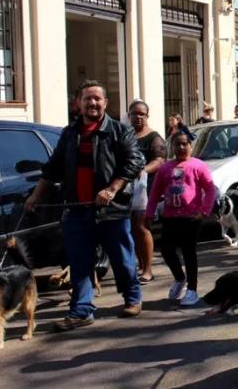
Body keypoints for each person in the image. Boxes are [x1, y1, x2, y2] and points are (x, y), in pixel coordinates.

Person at [25, 80, 145, 331]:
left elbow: (134, 163)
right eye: (87, 98)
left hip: (111, 210)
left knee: (122, 259)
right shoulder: (69, 134)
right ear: (78, 103)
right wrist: (36, 195)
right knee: (79, 263)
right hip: (77, 209)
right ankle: (81, 311)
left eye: (97, 99)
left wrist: (112, 189)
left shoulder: (120, 132)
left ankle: (132, 298)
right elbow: (53, 168)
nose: (92, 103)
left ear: (105, 103)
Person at [145, 131, 216, 306]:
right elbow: (154, 194)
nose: (181, 147)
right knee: (167, 250)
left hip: (191, 218)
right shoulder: (165, 168)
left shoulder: (198, 166)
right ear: (172, 147)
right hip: (170, 217)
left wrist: (205, 211)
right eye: (177, 144)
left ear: (191, 146)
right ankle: (179, 278)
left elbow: (210, 189)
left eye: (185, 144)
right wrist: (149, 213)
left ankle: (192, 290)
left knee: (188, 252)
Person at [128, 99, 165, 284]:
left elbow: (160, 159)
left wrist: (143, 170)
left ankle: (148, 269)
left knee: (142, 227)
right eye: (135, 113)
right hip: (127, 188)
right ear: (129, 116)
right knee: (132, 229)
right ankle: (140, 265)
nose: (138, 117)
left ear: (147, 116)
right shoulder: (126, 135)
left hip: (146, 188)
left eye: (142, 114)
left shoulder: (153, 137)